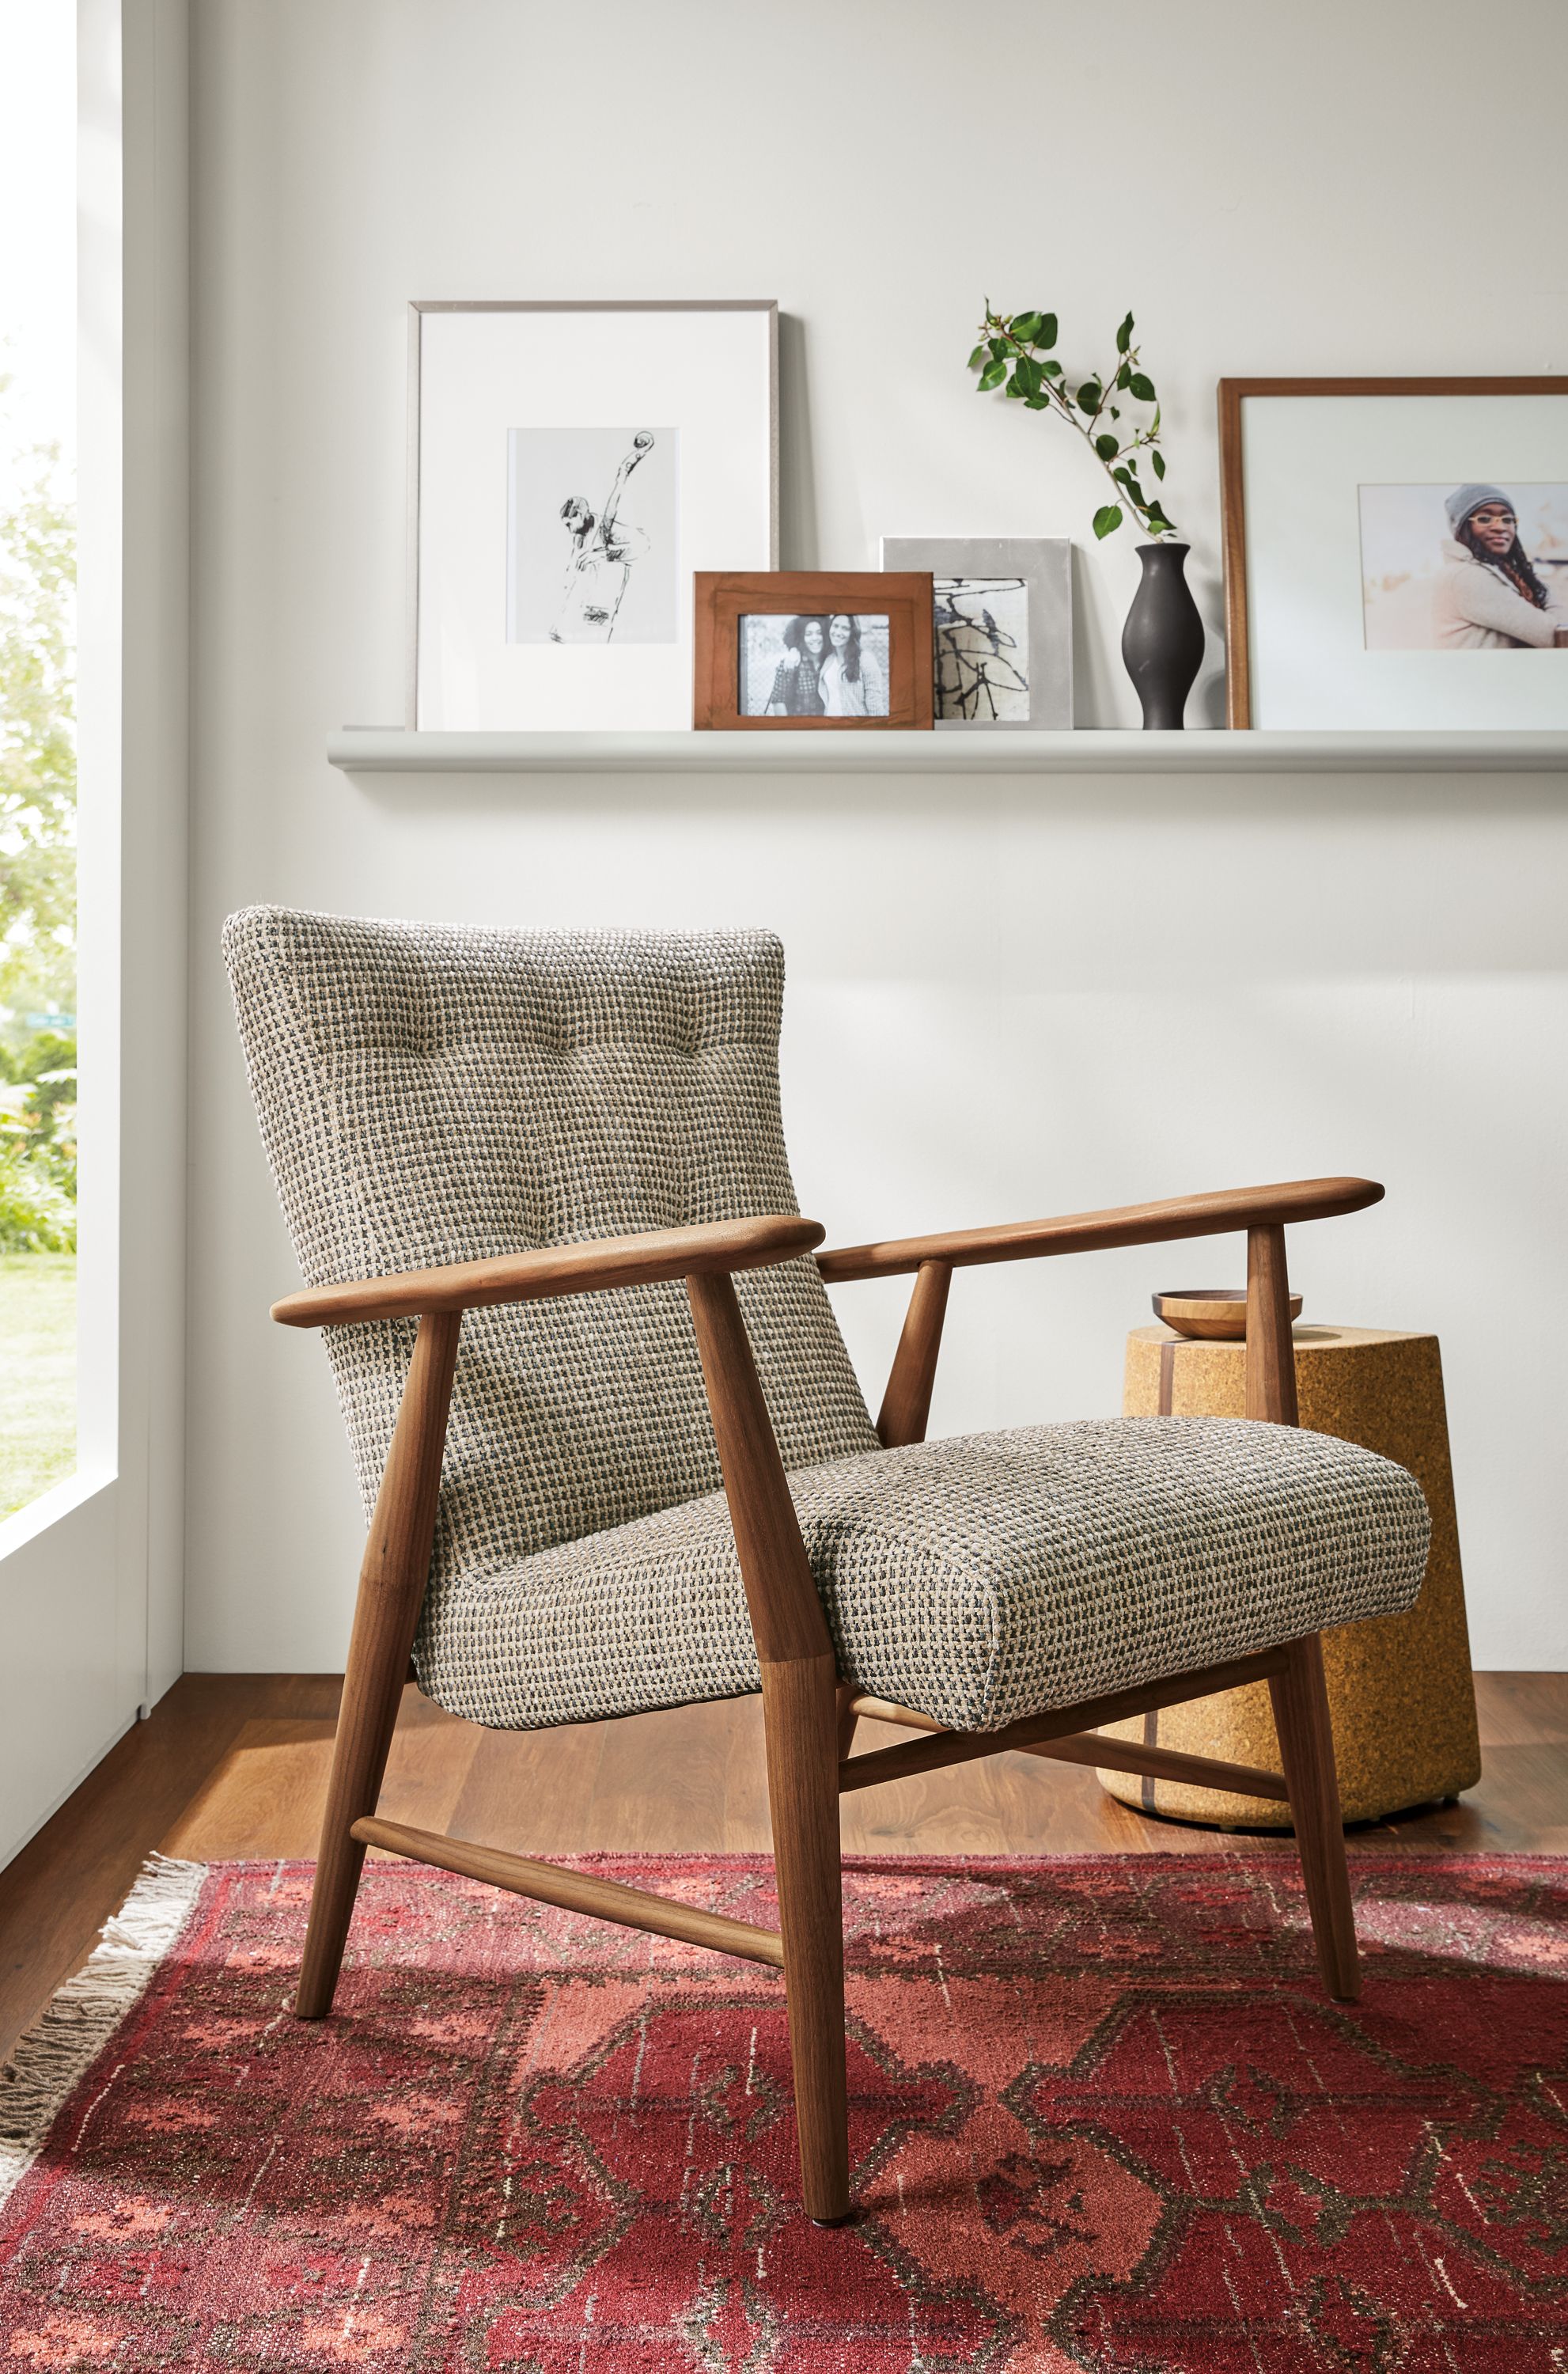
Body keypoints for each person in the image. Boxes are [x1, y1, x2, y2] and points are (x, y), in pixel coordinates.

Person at [1434, 484, 1568, 650]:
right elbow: (1554, 634)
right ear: (1462, 528)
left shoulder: (1507, 573)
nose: (1500, 527)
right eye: (1484, 519)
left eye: (1508, 519)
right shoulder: (1467, 576)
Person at [551, 430, 655, 643]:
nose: (569, 530)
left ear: (581, 514)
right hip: (576, 614)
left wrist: (604, 554)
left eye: (570, 523)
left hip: (597, 613)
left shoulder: (605, 528)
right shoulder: (579, 537)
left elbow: (643, 544)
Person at [817, 614, 887, 716]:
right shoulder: (829, 659)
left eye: (845, 628)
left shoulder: (865, 659)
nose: (838, 632)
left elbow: (875, 707)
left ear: (853, 633)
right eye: (835, 626)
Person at [763, 616, 827, 714]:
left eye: (819, 633)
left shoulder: (830, 662)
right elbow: (779, 701)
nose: (815, 638)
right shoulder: (791, 664)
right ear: (800, 637)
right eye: (808, 634)